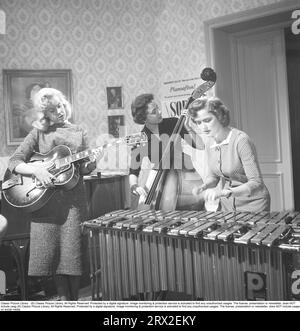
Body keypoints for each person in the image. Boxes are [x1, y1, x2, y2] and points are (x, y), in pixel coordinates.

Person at [7, 88, 96, 300]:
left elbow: (83, 169)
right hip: (44, 205)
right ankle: (62, 299)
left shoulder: (78, 131)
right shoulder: (38, 133)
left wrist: (91, 163)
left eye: (61, 105)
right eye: (54, 109)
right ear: (44, 114)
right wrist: (37, 169)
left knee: (71, 259)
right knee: (52, 259)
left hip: (73, 203)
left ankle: (72, 301)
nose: (60, 111)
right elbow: (14, 162)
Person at [187, 96, 270, 212]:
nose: (203, 127)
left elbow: (256, 182)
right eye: (198, 122)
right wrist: (203, 187)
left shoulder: (241, 140)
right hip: (227, 204)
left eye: (207, 120)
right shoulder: (209, 142)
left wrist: (227, 192)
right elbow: (213, 177)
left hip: (253, 204)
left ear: (220, 116)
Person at [129, 93, 204, 210]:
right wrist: (134, 186)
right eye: (154, 111)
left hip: (186, 174)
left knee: (195, 208)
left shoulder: (173, 123)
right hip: (159, 179)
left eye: (158, 108)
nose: (159, 112)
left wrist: (187, 126)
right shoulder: (140, 139)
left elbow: (200, 146)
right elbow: (133, 171)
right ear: (144, 118)